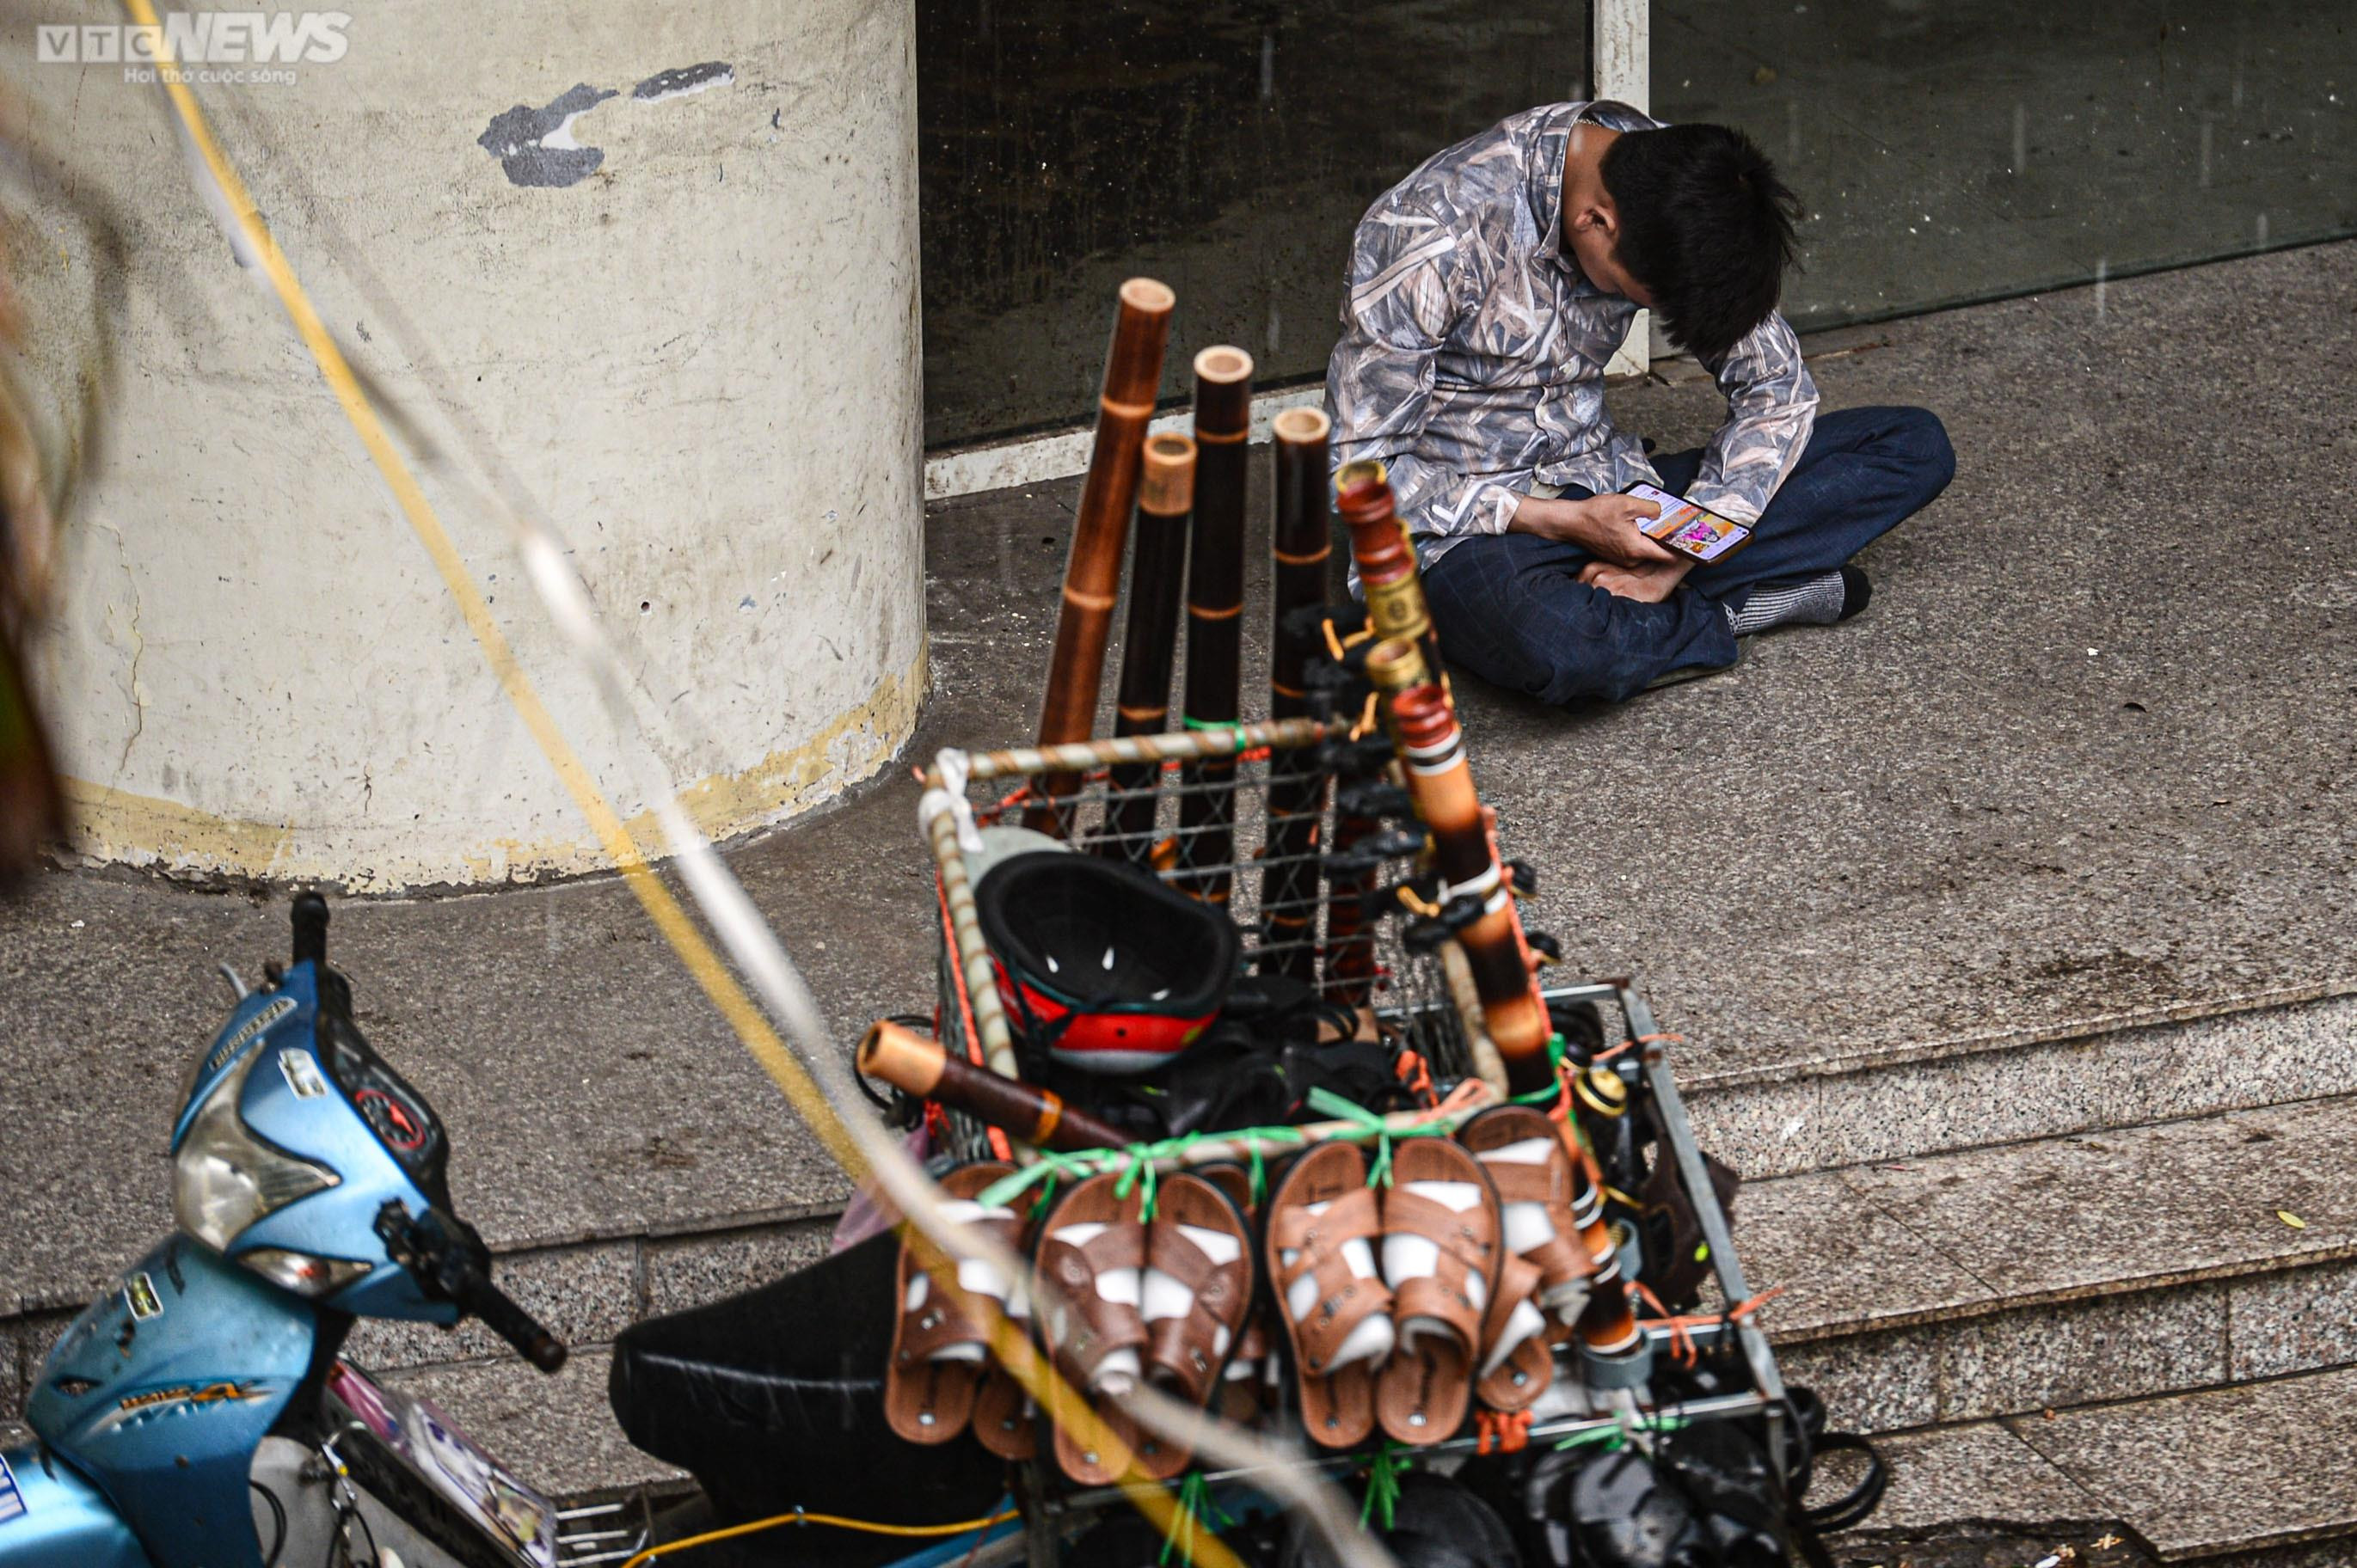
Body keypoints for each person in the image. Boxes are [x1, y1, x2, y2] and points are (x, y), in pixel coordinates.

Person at [1324, 101, 1955, 703]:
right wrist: (1561, 521)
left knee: (1909, 447)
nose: (1642, 309)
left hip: (1620, 491)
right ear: (1594, 222)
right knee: (1561, 646)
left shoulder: (1684, 185)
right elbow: (1354, 474)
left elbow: (1776, 391)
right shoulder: (1429, 233)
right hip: (1469, 527)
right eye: (1641, 296)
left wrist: (1678, 555)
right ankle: (1739, 606)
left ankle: (1645, 608)